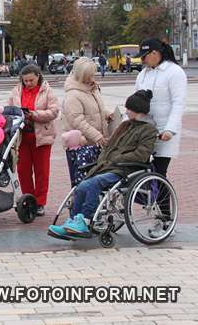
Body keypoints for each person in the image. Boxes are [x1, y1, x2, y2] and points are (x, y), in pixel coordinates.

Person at [48, 90, 157, 240]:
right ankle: (73, 222)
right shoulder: (125, 126)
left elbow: (142, 155)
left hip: (127, 169)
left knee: (94, 183)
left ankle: (85, 220)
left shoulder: (149, 130)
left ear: (136, 111)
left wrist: (116, 159)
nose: (126, 112)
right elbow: (109, 146)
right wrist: (103, 160)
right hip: (110, 165)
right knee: (82, 186)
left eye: (128, 109)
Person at [134, 39, 187, 234]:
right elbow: (135, 101)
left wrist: (170, 130)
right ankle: (158, 214)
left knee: (159, 174)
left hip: (165, 133)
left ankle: (166, 220)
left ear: (156, 53)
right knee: (145, 174)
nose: (144, 60)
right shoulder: (143, 74)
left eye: (145, 56)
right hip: (145, 131)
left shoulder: (174, 72)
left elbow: (178, 103)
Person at [8, 64, 59, 216]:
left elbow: (54, 111)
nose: (28, 83)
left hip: (41, 136)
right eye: (25, 81)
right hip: (22, 137)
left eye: (31, 80)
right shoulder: (16, 91)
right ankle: (28, 199)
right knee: (23, 171)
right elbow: (10, 109)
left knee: (41, 171)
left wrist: (34, 114)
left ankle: (40, 202)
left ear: (38, 76)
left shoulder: (47, 90)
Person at [62, 57, 111, 187]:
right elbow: (78, 121)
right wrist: (97, 136)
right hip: (82, 145)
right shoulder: (73, 95)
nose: (93, 78)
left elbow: (96, 108)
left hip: (94, 143)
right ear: (82, 75)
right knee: (83, 182)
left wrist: (107, 114)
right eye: (90, 75)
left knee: (96, 180)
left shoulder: (91, 87)